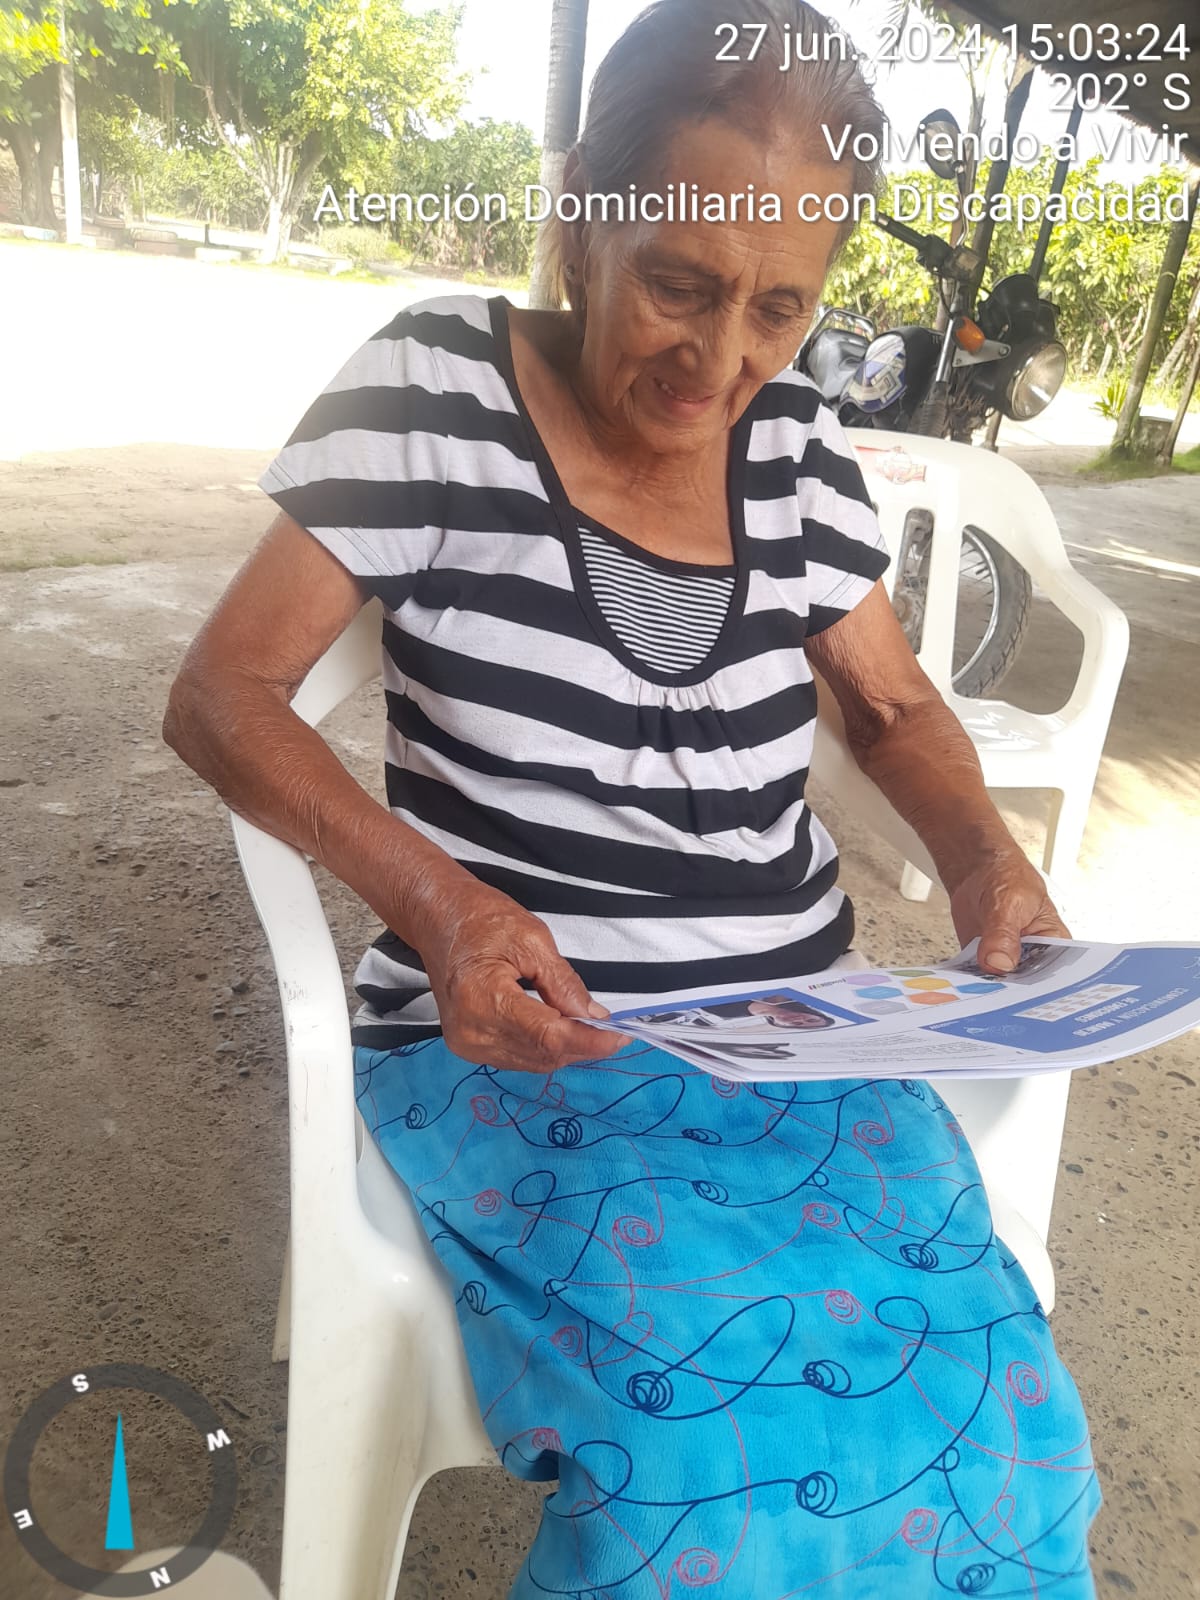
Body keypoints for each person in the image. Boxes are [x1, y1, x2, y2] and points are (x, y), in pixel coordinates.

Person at [163, 2, 1100, 1593]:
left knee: (1008, 1437)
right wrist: (443, 909)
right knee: (706, 1476)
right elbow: (221, 692)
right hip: (525, 1048)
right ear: (577, 221)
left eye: (780, 309)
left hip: (802, 1039)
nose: (722, 361)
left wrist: (986, 858)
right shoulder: (433, 386)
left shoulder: (797, 445)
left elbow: (891, 706)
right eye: (681, 283)